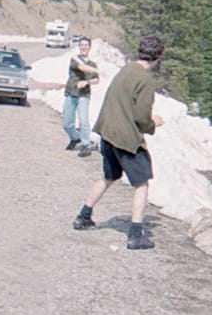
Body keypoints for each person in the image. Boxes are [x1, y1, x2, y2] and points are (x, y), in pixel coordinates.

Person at [71, 35, 165, 250]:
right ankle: (135, 235)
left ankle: (83, 216)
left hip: (107, 132)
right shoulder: (146, 80)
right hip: (125, 137)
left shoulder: (126, 69)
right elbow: (141, 117)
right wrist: (154, 123)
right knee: (141, 184)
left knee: (108, 176)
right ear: (158, 57)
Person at [62, 37, 101, 157]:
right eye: (82, 45)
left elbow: (96, 79)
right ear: (79, 46)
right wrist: (100, 70)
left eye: (86, 45)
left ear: (89, 47)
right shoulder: (74, 59)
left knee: (83, 121)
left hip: (84, 95)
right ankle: (75, 138)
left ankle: (86, 145)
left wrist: (87, 82)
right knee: (67, 123)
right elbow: (82, 68)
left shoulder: (92, 63)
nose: (84, 47)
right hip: (71, 93)